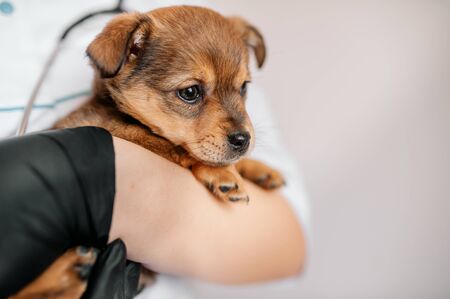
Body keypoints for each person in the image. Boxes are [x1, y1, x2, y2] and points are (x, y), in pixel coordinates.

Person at [0, 0, 310, 298]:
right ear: (130, 53)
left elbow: (290, 244)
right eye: (190, 92)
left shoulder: (202, 25)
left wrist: (212, 163)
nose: (239, 128)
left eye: (242, 88)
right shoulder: (120, 72)